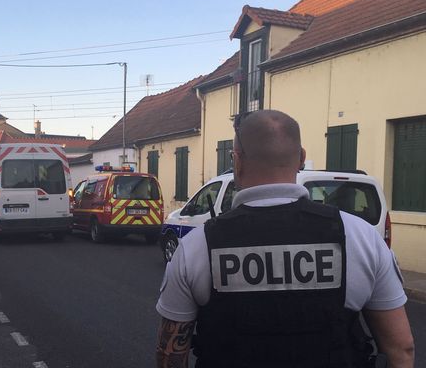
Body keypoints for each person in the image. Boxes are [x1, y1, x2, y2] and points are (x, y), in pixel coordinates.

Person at [155, 110, 414, 368]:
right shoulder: (361, 236)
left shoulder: (196, 246)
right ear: (301, 158)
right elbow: (401, 350)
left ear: (237, 161)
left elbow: (171, 357)